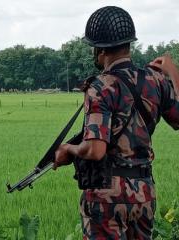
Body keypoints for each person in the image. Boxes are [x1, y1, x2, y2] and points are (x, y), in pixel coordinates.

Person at [53, 6, 179, 239]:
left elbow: (95, 149)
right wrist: (174, 73)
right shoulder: (156, 80)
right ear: (128, 44)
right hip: (144, 193)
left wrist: (68, 149)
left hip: (107, 198)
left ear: (100, 50)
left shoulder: (101, 86)